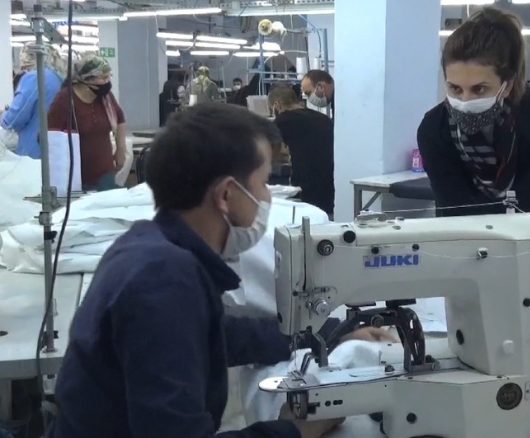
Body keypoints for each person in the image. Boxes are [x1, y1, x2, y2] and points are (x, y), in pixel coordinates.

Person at [46, 103, 391, 438]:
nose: (267, 197)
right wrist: (293, 430)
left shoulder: (148, 247)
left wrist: (331, 333)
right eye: (263, 183)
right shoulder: (163, 281)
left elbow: (224, 336)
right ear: (226, 194)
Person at [417, 7, 530, 217]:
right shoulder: (434, 129)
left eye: (479, 89)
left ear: (508, 85)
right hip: (466, 232)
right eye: (455, 89)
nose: (465, 102)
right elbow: (453, 210)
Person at [48, 54, 126, 191]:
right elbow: (51, 136)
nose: (108, 82)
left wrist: (121, 150)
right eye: (103, 78)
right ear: (86, 80)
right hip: (75, 177)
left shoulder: (106, 97)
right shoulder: (65, 100)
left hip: (105, 173)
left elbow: (120, 119)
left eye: (109, 77)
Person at [268, 84, 335, 217]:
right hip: (329, 187)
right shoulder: (323, 119)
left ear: (277, 104)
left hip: (305, 188)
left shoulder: (282, 120)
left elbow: (268, 153)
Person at [1, 43, 65, 159]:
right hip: (57, 149)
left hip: (34, 152)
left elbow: (14, 119)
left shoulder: (35, 78)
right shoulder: (59, 78)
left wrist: (3, 115)